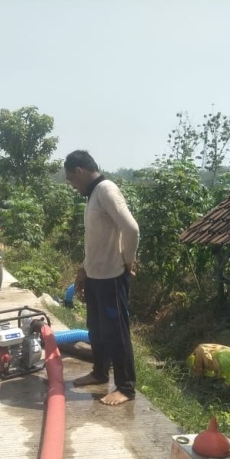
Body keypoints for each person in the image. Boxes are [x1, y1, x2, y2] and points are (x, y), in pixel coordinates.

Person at [64, 150, 139, 406]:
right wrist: (83, 270)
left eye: (72, 181)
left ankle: (126, 387)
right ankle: (99, 373)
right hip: (95, 276)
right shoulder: (92, 195)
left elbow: (131, 228)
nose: (73, 187)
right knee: (97, 330)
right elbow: (93, 240)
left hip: (112, 276)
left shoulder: (106, 190)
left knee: (116, 333)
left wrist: (128, 260)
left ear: (79, 171)